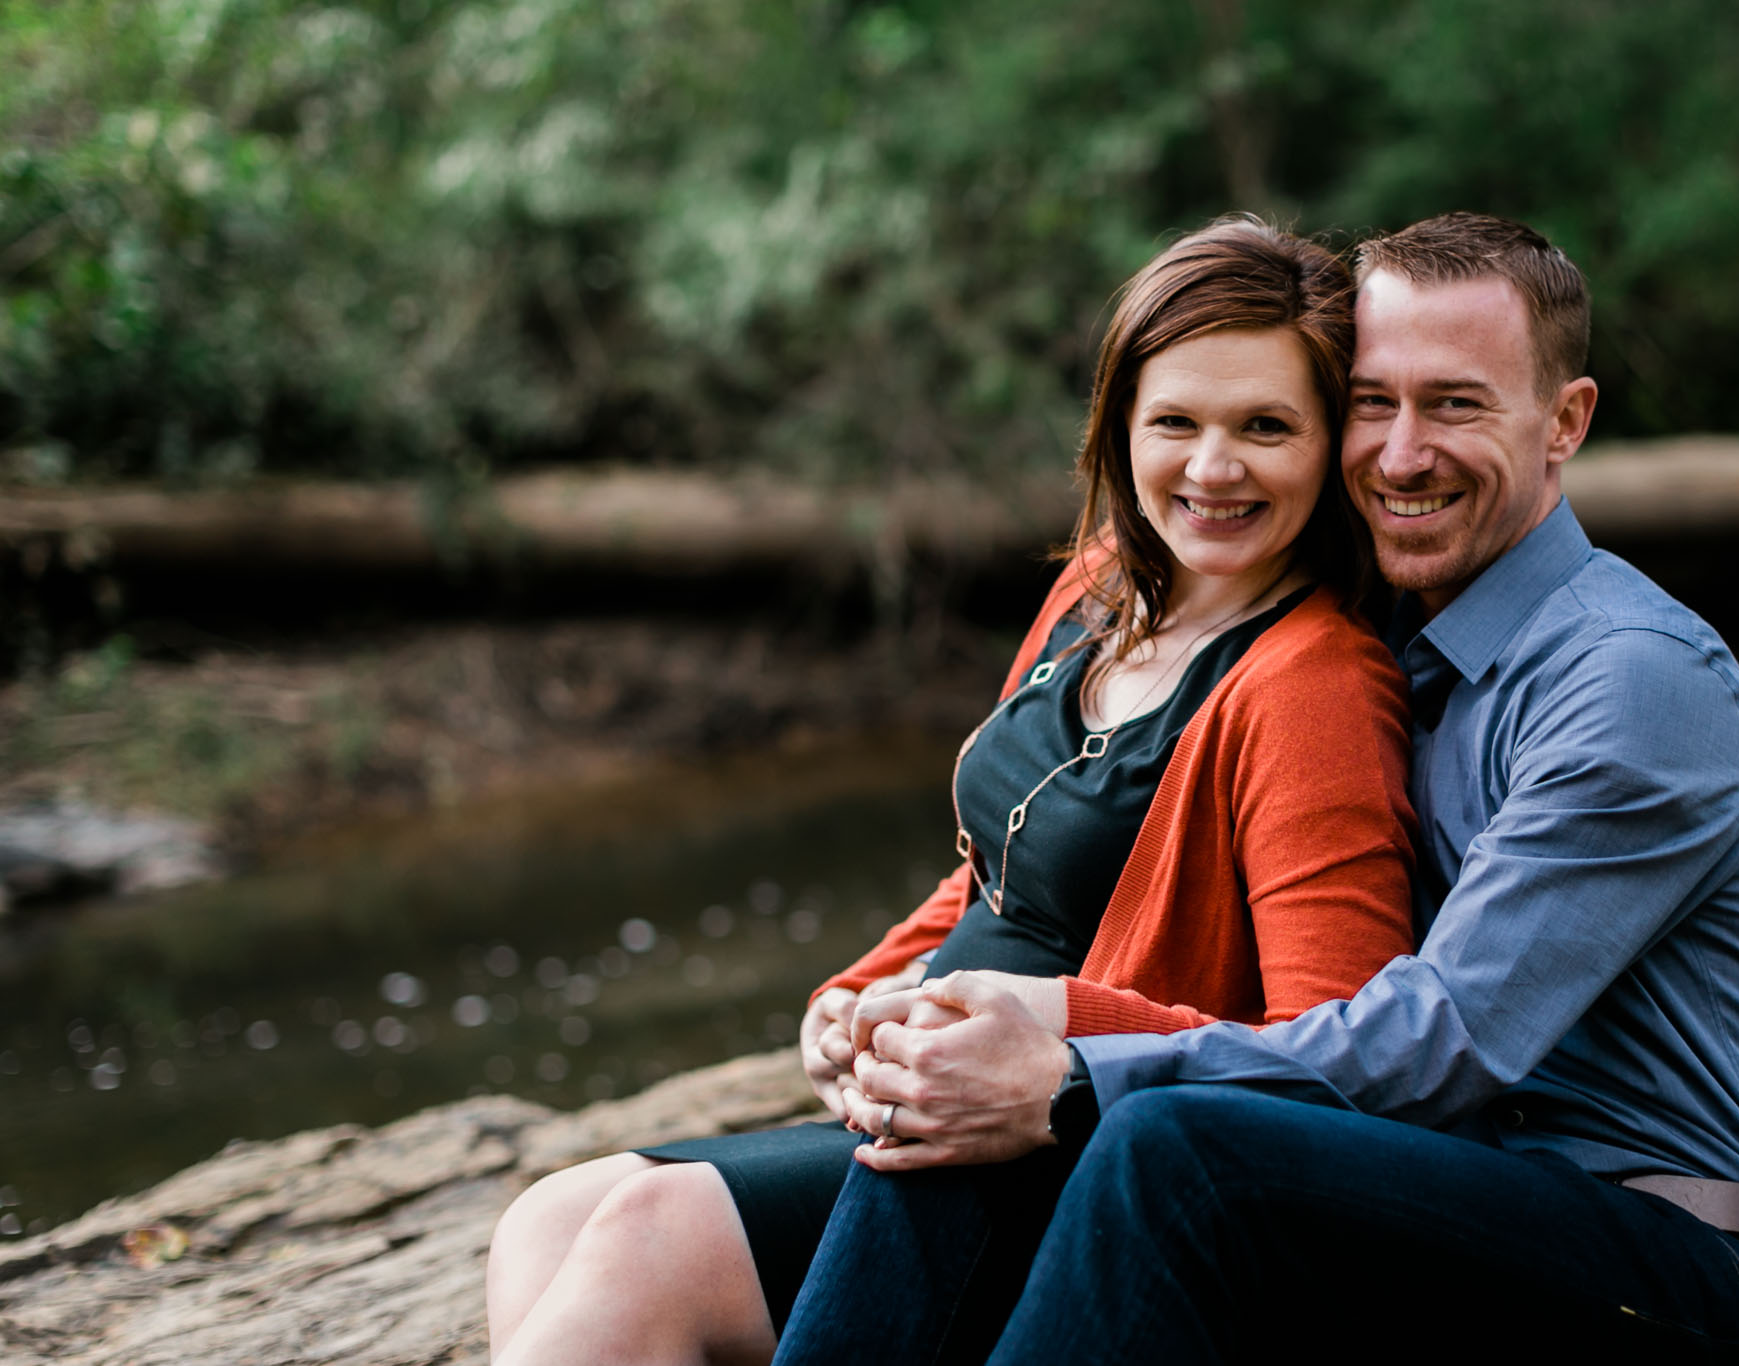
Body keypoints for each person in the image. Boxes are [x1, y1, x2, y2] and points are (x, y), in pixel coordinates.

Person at [775, 212, 1739, 1366]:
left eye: (1456, 404)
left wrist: (1074, 1052)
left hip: (1671, 1260)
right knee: (966, 1100)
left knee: (1160, 1139)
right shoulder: (1384, 623)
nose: (1400, 452)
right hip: (1435, 1187)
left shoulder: (1624, 681)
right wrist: (932, 1014)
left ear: (1564, 420)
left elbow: (1439, 1041)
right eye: (1372, 402)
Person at [483, 216, 1420, 1366]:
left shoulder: (1314, 684)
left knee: (646, 1238)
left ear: (1331, 446)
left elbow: (1338, 1055)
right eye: (1174, 421)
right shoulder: (1100, 589)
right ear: (1117, 428)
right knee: (546, 1218)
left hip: (1065, 1157)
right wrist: (860, 990)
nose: (1211, 467)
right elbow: (1000, 870)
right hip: (933, 1116)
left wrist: (1063, 1027)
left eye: (1264, 427)